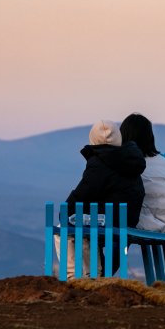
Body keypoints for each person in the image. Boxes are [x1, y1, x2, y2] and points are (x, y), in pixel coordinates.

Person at [54, 119, 146, 279]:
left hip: (110, 220)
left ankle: (73, 278)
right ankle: (93, 275)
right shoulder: (129, 158)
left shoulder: (101, 162)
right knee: (84, 228)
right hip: (128, 219)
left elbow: (84, 193)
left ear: (93, 140)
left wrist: (66, 212)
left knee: (64, 229)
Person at [120, 113, 165, 235]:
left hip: (159, 226)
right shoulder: (163, 162)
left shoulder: (125, 164)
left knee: (119, 218)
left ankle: (110, 254)